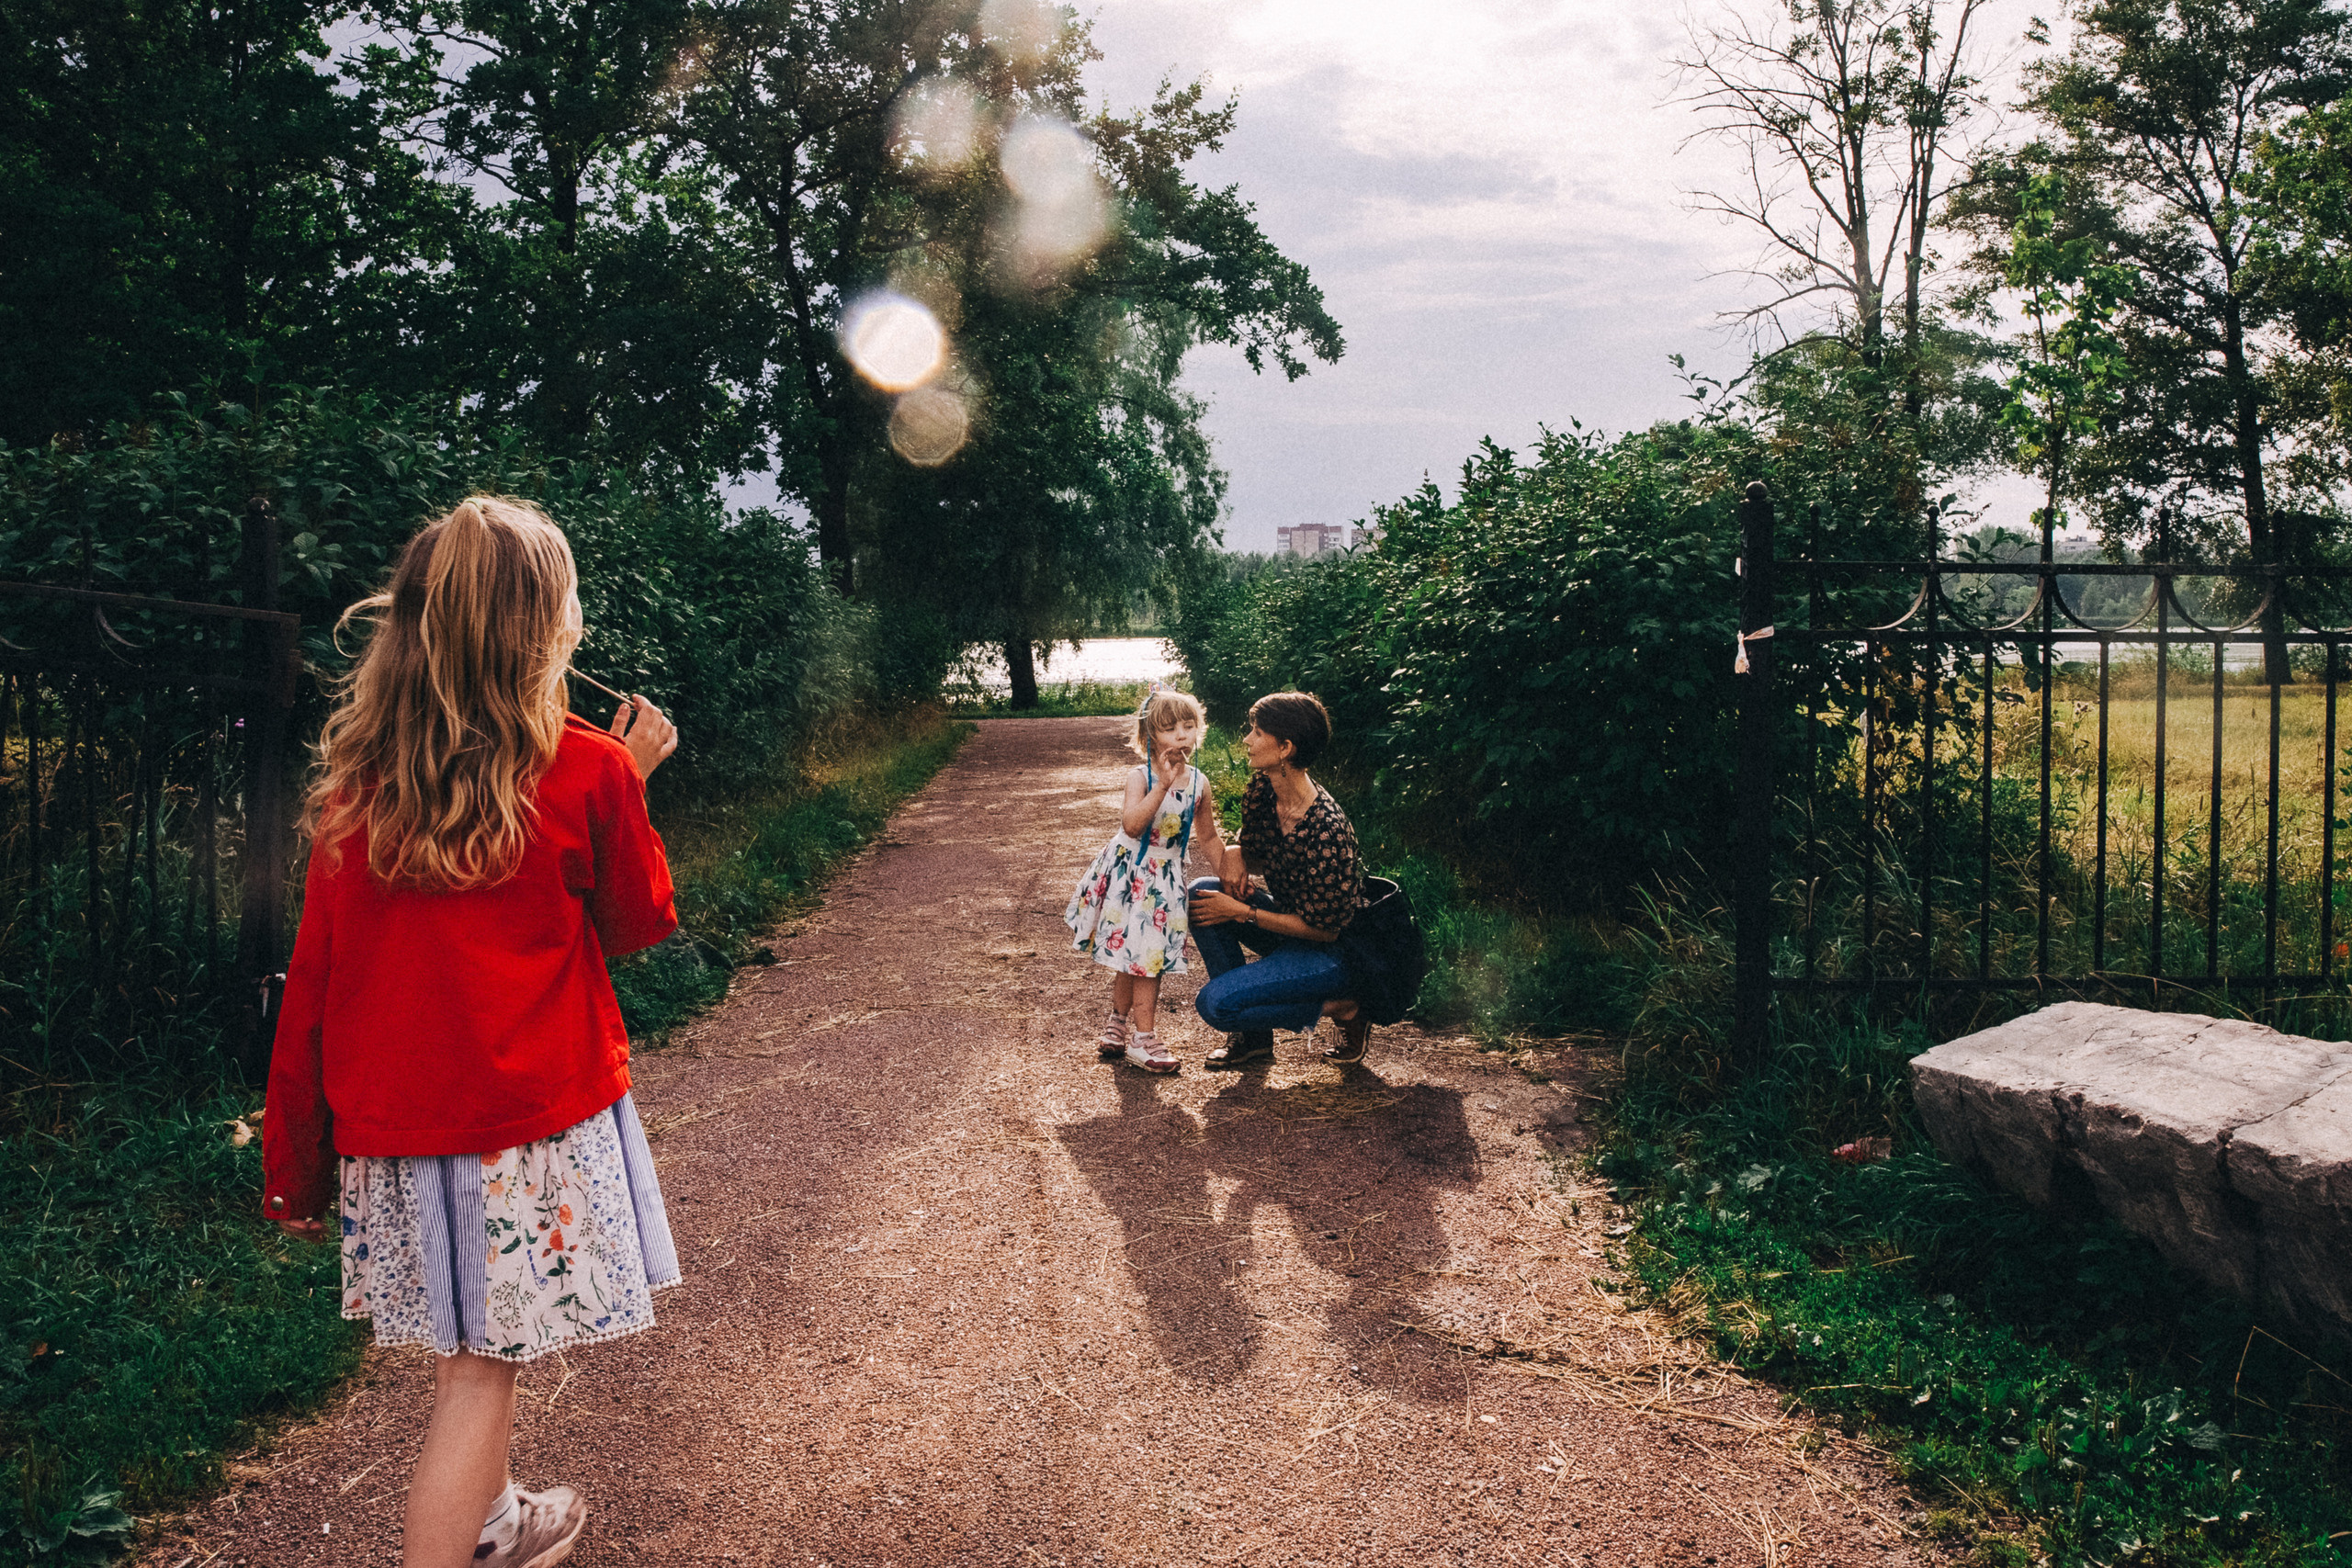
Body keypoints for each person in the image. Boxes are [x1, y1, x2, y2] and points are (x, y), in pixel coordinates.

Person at [261, 497, 684, 1568]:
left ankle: (497, 1526)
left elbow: (313, 986)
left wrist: (294, 1164)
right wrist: (630, 782)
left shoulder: (362, 787)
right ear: (541, 629)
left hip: (399, 1132)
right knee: (480, 1366)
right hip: (524, 1132)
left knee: (473, 1342)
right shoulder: (586, 769)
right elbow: (639, 923)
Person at [1187, 691, 1373, 1069]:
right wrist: (1238, 852)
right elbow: (1255, 849)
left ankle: (1347, 1005)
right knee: (1201, 894)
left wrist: (1241, 912)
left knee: (1216, 1005)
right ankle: (1254, 1040)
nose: (1247, 740)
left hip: (1331, 953)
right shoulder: (1263, 790)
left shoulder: (1327, 829)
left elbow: (1326, 932)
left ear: (1285, 747)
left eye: (1257, 732)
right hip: (1290, 931)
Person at [1063, 685, 1233, 1073]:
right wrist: (1161, 785)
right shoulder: (1139, 777)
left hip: (1166, 877)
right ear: (1150, 735)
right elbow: (1133, 825)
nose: (1181, 735)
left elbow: (1207, 836)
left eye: (1188, 726)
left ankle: (1118, 1024)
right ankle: (1144, 1037)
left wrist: (1230, 872)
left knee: (1141, 953)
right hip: (1131, 874)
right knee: (1145, 956)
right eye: (1170, 728)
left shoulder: (1198, 783)